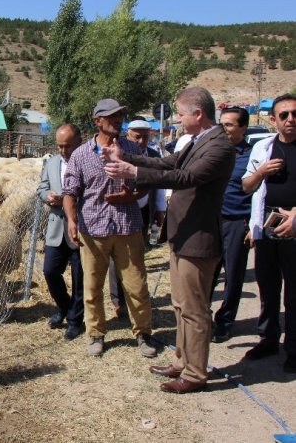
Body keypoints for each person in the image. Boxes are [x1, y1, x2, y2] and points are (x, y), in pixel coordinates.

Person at [104, 86, 235, 393]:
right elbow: (169, 164)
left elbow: (184, 178)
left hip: (198, 239)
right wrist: (125, 157)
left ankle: (195, 374)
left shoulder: (219, 146)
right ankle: (182, 360)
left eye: (179, 113)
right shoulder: (199, 141)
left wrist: (132, 171)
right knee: (180, 305)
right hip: (182, 235)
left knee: (195, 309)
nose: (177, 119)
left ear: (198, 114)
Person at [62, 98, 157, 358]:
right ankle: (96, 334)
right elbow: (70, 192)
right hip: (93, 230)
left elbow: (148, 181)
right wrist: (71, 221)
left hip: (128, 227)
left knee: (136, 285)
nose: (118, 119)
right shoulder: (80, 155)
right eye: (112, 116)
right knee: (92, 286)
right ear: (97, 121)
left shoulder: (132, 150)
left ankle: (143, 334)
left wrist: (132, 196)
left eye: (120, 115)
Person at [241, 93, 296, 373]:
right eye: (283, 115)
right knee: (268, 285)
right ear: (273, 119)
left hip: (294, 223)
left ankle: (294, 348)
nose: (290, 119)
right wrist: (261, 172)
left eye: (294, 114)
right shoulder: (263, 147)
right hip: (267, 224)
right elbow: (247, 187)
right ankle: (268, 339)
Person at [109, 119, 167, 318]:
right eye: (137, 136)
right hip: (122, 211)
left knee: (138, 255)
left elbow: (159, 184)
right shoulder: (123, 156)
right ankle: (119, 301)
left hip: (144, 212)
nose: (142, 141)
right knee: (118, 258)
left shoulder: (154, 156)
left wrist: (160, 210)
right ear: (128, 136)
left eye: (146, 136)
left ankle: (136, 296)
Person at [37, 124, 85, 340]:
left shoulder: (87, 161)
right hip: (56, 226)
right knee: (49, 271)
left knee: (79, 278)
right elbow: (42, 187)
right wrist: (48, 196)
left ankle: (75, 321)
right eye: (60, 146)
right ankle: (64, 307)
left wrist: (71, 201)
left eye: (68, 146)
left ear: (79, 143)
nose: (63, 151)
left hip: (81, 228)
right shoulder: (51, 163)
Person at [210, 106, 253, 343]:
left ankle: (225, 322)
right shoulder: (215, 151)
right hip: (210, 220)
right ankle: (202, 318)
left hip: (237, 222)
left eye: (229, 125)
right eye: (221, 124)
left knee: (233, 274)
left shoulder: (251, 155)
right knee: (206, 272)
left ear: (243, 128)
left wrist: (252, 225)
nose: (223, 129)